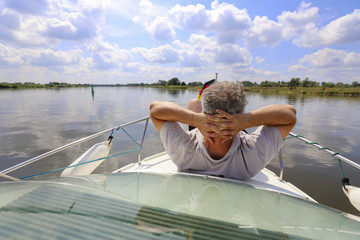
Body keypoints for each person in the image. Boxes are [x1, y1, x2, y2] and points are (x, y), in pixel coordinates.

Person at [150, 81, 296, 180]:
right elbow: (290, 114)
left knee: (194, 104)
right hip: (236, 133)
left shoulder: (182, 150)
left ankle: (199, 110)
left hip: (200, 133)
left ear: (204, 114)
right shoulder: (253, 155)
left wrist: (195, 119)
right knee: (195, 104)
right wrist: (245, 121)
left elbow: (155, 109)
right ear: (240, 114)